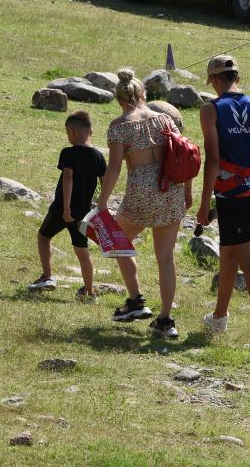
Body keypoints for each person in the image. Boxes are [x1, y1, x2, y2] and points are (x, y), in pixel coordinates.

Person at [96, 69, 193, 339]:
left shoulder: (119, 126)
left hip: (141, 190)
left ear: (119, 99)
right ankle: (165, 320)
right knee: (166, 258)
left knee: (117, 242)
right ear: (143, 95)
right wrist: (188, 190)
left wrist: (103, 202)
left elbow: (114, 167)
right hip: (170, 187)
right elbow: (184, 152)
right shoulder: (164, 118)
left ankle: (136, 299)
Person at [197, 55, 250, 348]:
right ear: (237, 77)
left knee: (246, 257)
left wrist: (203, 203)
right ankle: (219, 316)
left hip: (230, 192)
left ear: (214, 80)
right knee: (229, 253)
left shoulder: (211, 110)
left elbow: (213, 160)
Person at [29, 111, 106, 300]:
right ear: (90, 131)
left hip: (63, 209)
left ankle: (47, 277)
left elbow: (68, 178)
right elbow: (105, 183)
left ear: (72, 131)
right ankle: (89, 292)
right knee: (82, 250)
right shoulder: (98, 156)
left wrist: (66, 208)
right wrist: (101, 208)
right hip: (84, 211)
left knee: (43, 237)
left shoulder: (68, 153)